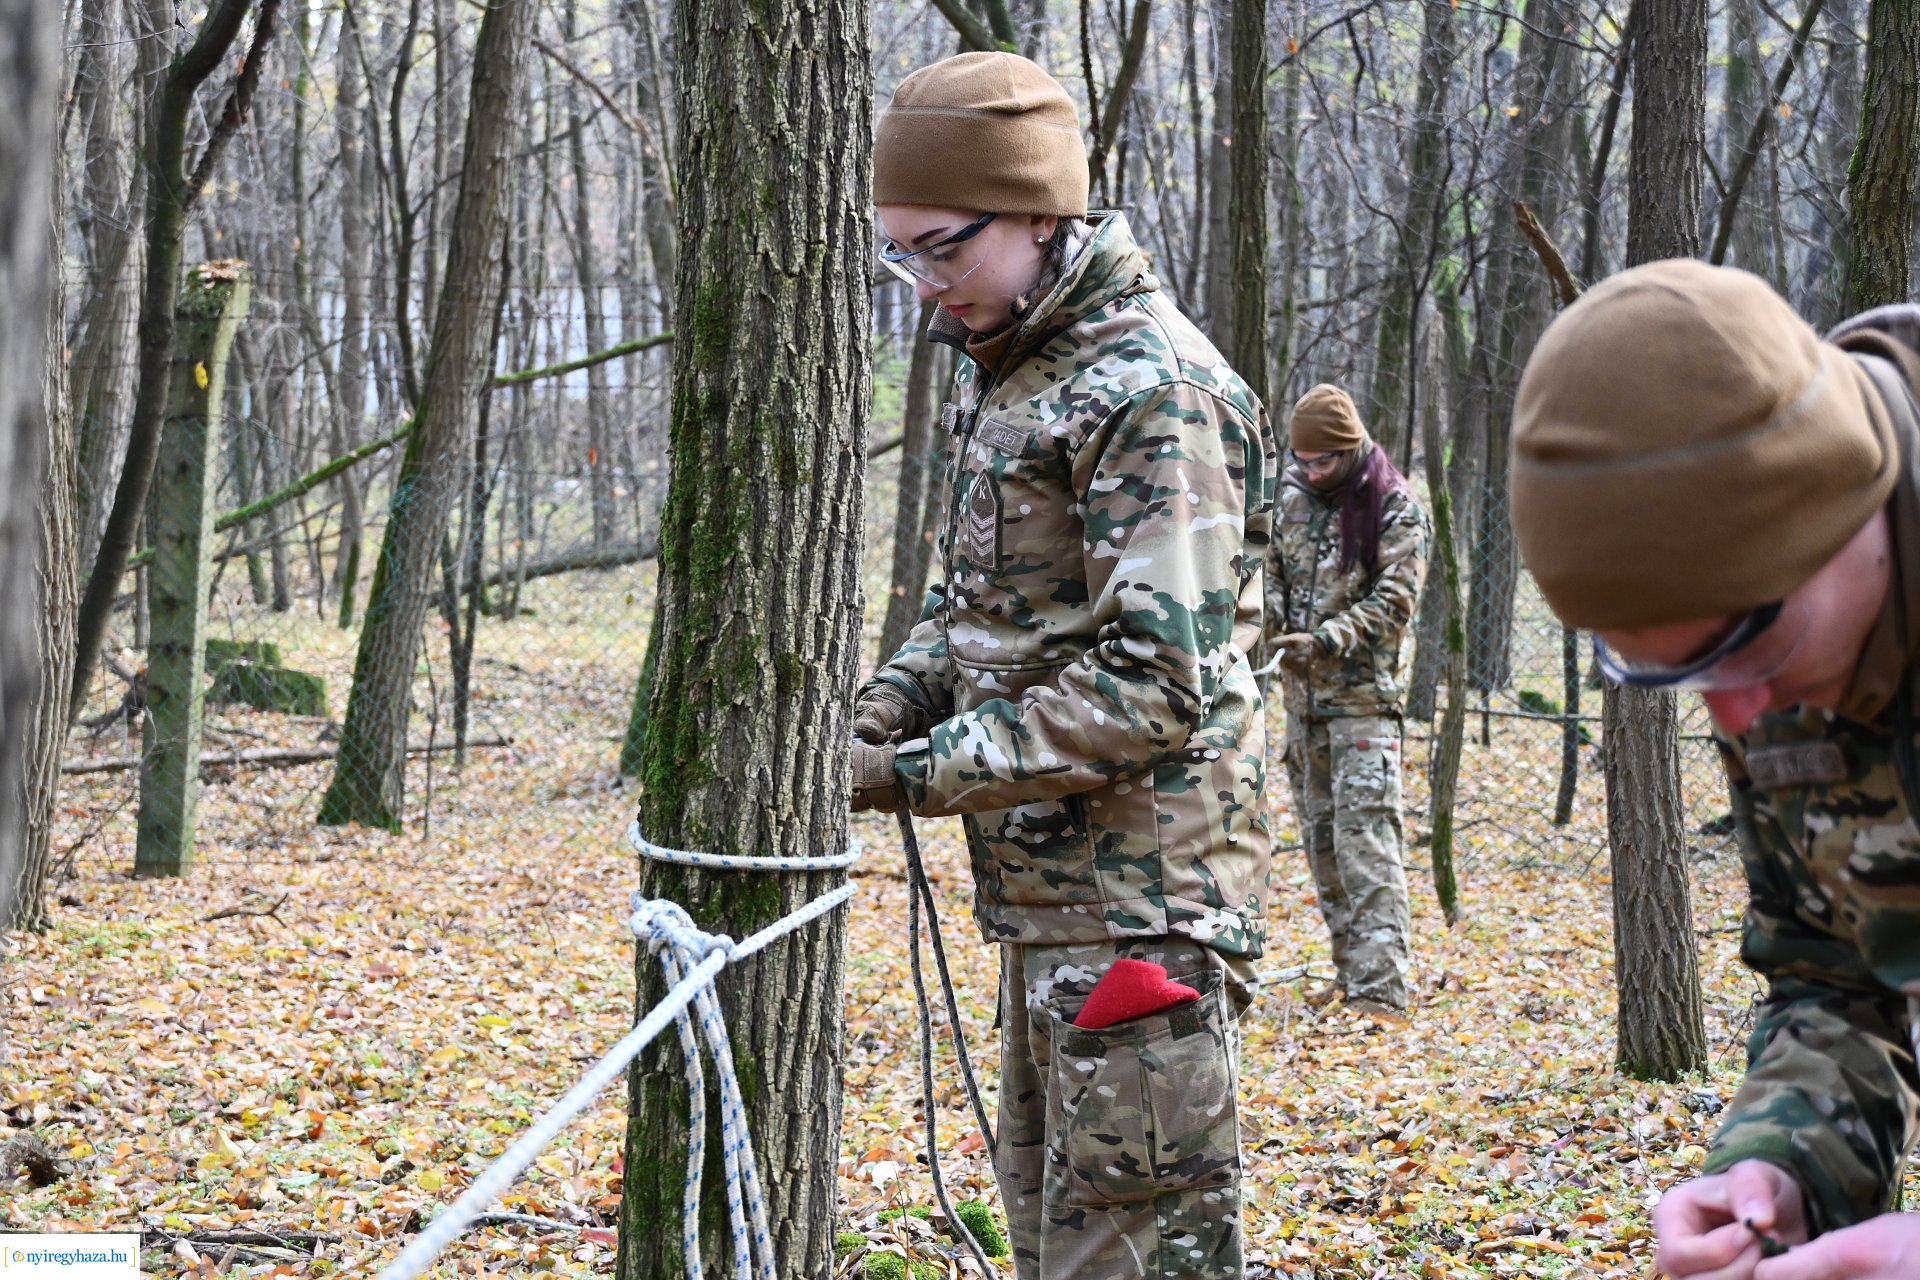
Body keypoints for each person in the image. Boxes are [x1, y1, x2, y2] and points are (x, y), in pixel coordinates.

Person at [847, 50, 1277, 1280]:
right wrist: (884, 707)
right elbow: (988, 612)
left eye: (944, 247)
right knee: (1058, 1249)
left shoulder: (1152, 391)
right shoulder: (1029, 374)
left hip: (1144, 909)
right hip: (1054, 902)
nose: (926, 286)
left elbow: (1157, 682)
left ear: (1042, 211)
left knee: (1127, 1258)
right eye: (902, 253)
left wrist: (916, 770)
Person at [1508, 257, 1920, 1280]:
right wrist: (1780, 1163)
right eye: (1682, 671)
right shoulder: (1769, 657)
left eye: (1748, 646)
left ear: (1841, 505)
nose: (1737, 714)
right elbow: (1838, 971)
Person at [1264, 383, 1430, 1016]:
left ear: (1352, 448)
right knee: (1323, 846)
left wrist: (1327, 640)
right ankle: (1348, 978)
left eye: (1324, 462)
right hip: (1302, 707)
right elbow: (1267, 568)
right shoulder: (1291, 500)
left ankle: (1381, 992)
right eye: (1304, 461)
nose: (1313, 472)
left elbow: (1396, 601)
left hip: (1362, 705)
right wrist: (1274, 623)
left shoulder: (1394, 506)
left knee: (1367, 846)